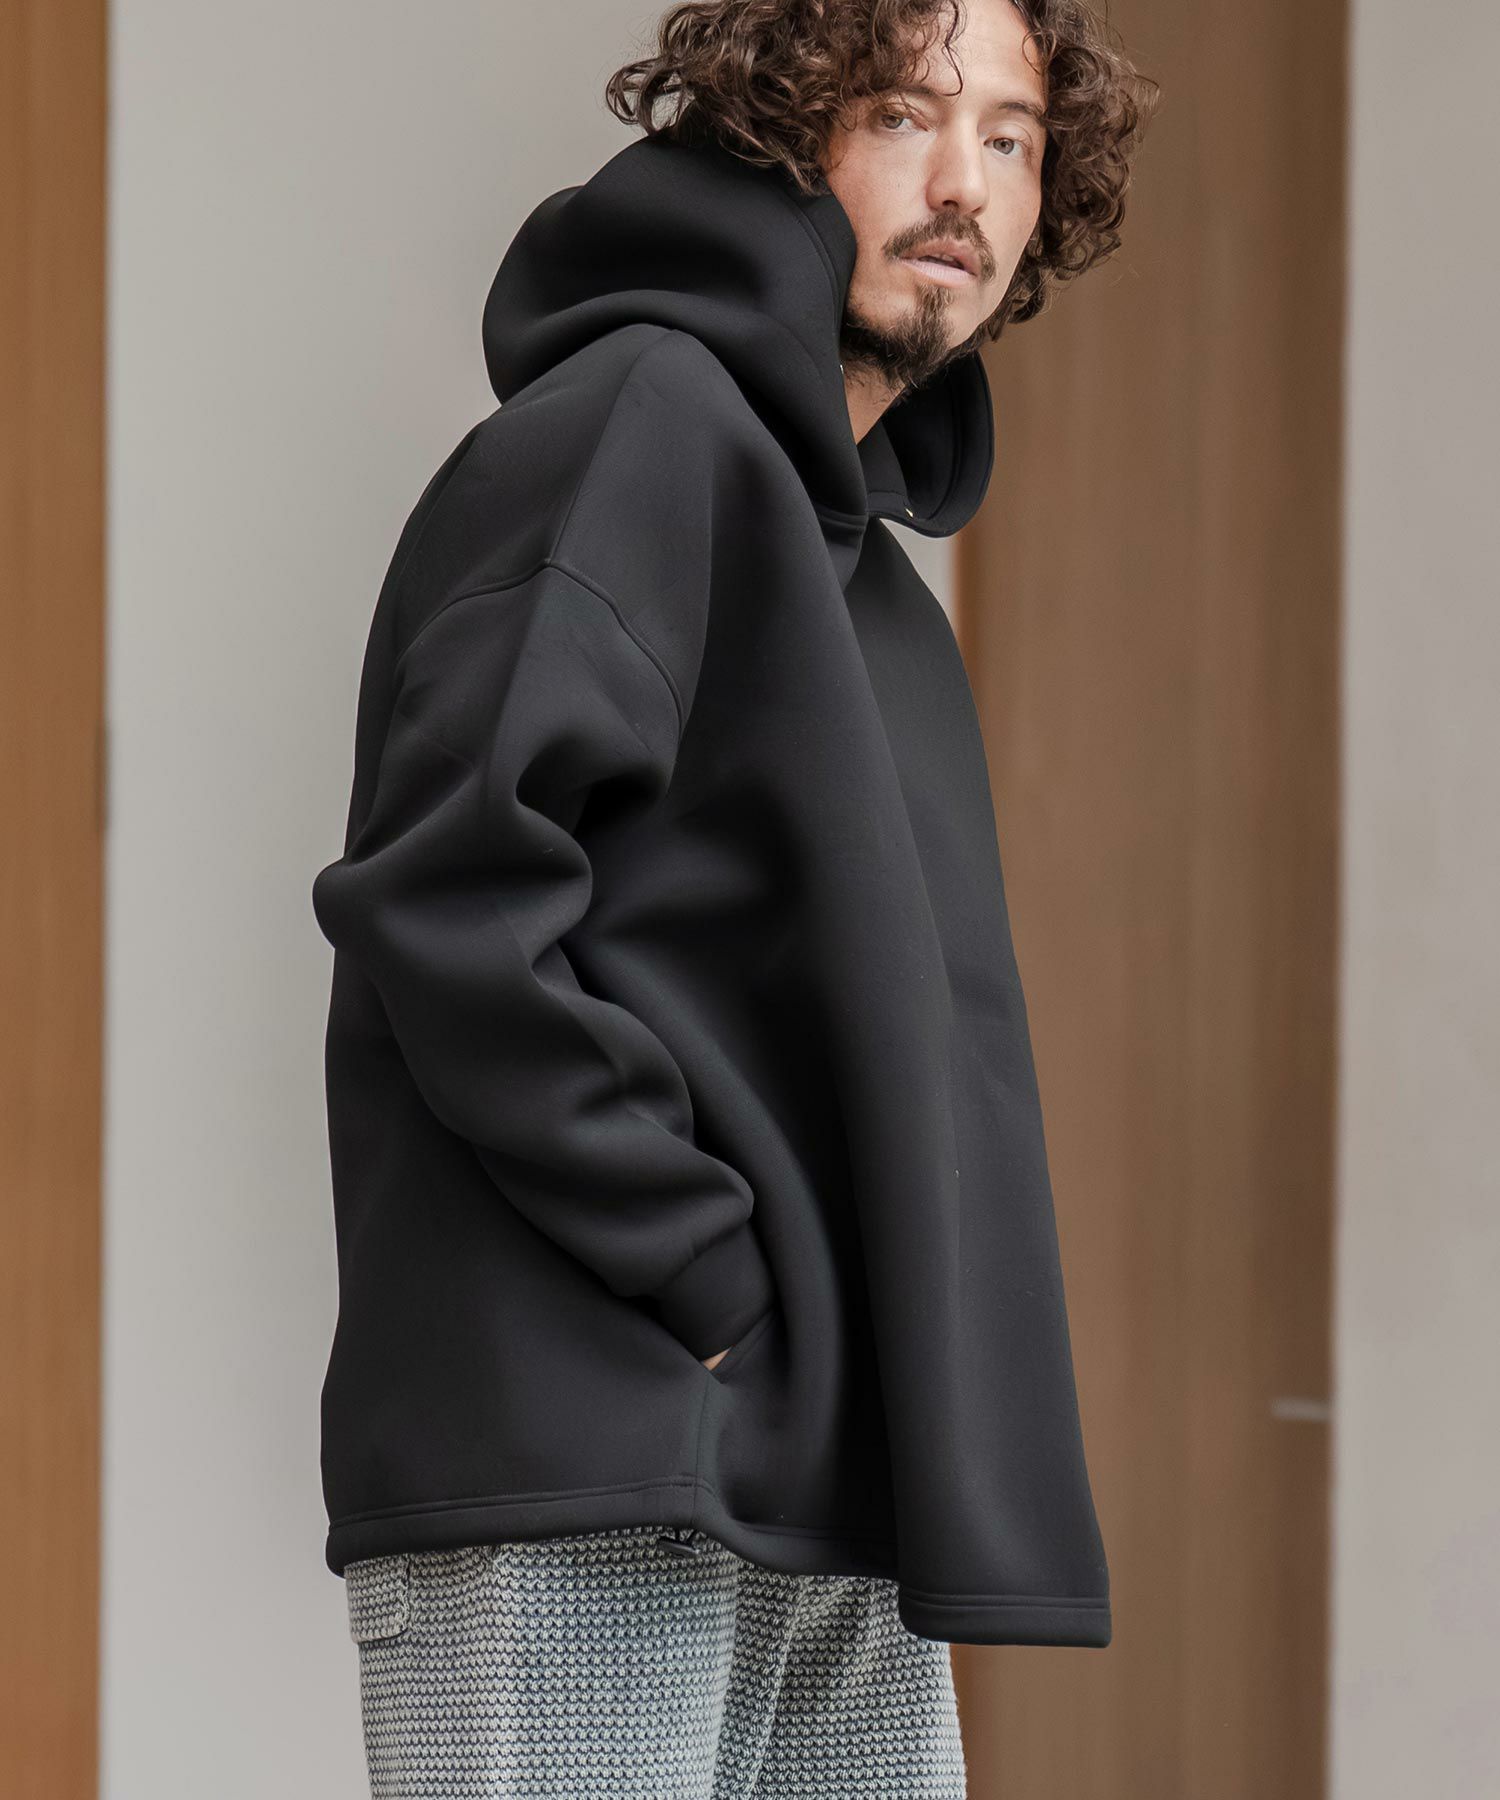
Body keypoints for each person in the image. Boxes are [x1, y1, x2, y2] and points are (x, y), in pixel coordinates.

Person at [310, 0, 1156, 1791]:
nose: (964, 184)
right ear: (778, 127)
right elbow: (451, 894)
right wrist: (711, 1282)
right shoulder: (636, 427)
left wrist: (825, 1352)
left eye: (1011, 139)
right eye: (905, 115)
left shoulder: (864, 580)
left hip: (828, 1477)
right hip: (597, 1461)